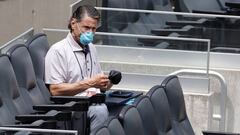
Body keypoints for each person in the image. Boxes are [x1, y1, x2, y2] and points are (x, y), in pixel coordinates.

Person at [44, 5, 111, 132]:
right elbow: (55, 90)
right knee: (100, 111)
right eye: (86, 27)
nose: (90, 33)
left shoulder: (91, 47)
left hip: (93, 100)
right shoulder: (58, 51)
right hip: (72, 106)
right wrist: (90, 83)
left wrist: (108, 82)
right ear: (73, 23)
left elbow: (99, 85)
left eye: (93, 29)